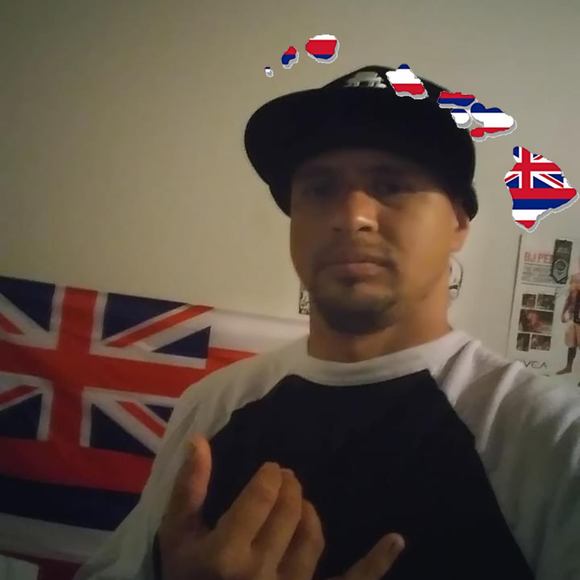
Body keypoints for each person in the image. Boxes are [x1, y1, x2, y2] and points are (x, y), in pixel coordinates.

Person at [74, 66, 580, 580]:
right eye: (319, 189)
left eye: (392, 185)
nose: (351, 216)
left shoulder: (553, 438)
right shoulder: (212, 405)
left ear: (459, 223)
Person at [556, 260, 580, 386]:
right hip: (574, 315)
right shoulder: (575, 277)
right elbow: (570, 297)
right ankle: (568, 367)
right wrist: (564, 311)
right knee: (571, 344)